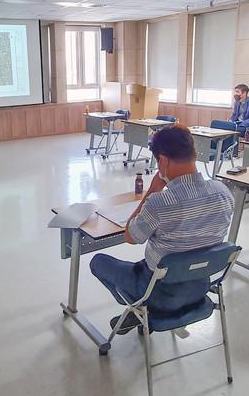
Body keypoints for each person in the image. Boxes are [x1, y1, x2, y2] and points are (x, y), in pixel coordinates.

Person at [89, 125, 235, 333]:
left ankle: (140, 309)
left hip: (159, 294)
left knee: (99, 262)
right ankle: (140, 311)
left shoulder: (160, 202)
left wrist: (152, 190)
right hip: (200, 286)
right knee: (160, 262)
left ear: (163, 161)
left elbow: (131, 236)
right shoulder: (223, 192)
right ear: (194, 154)